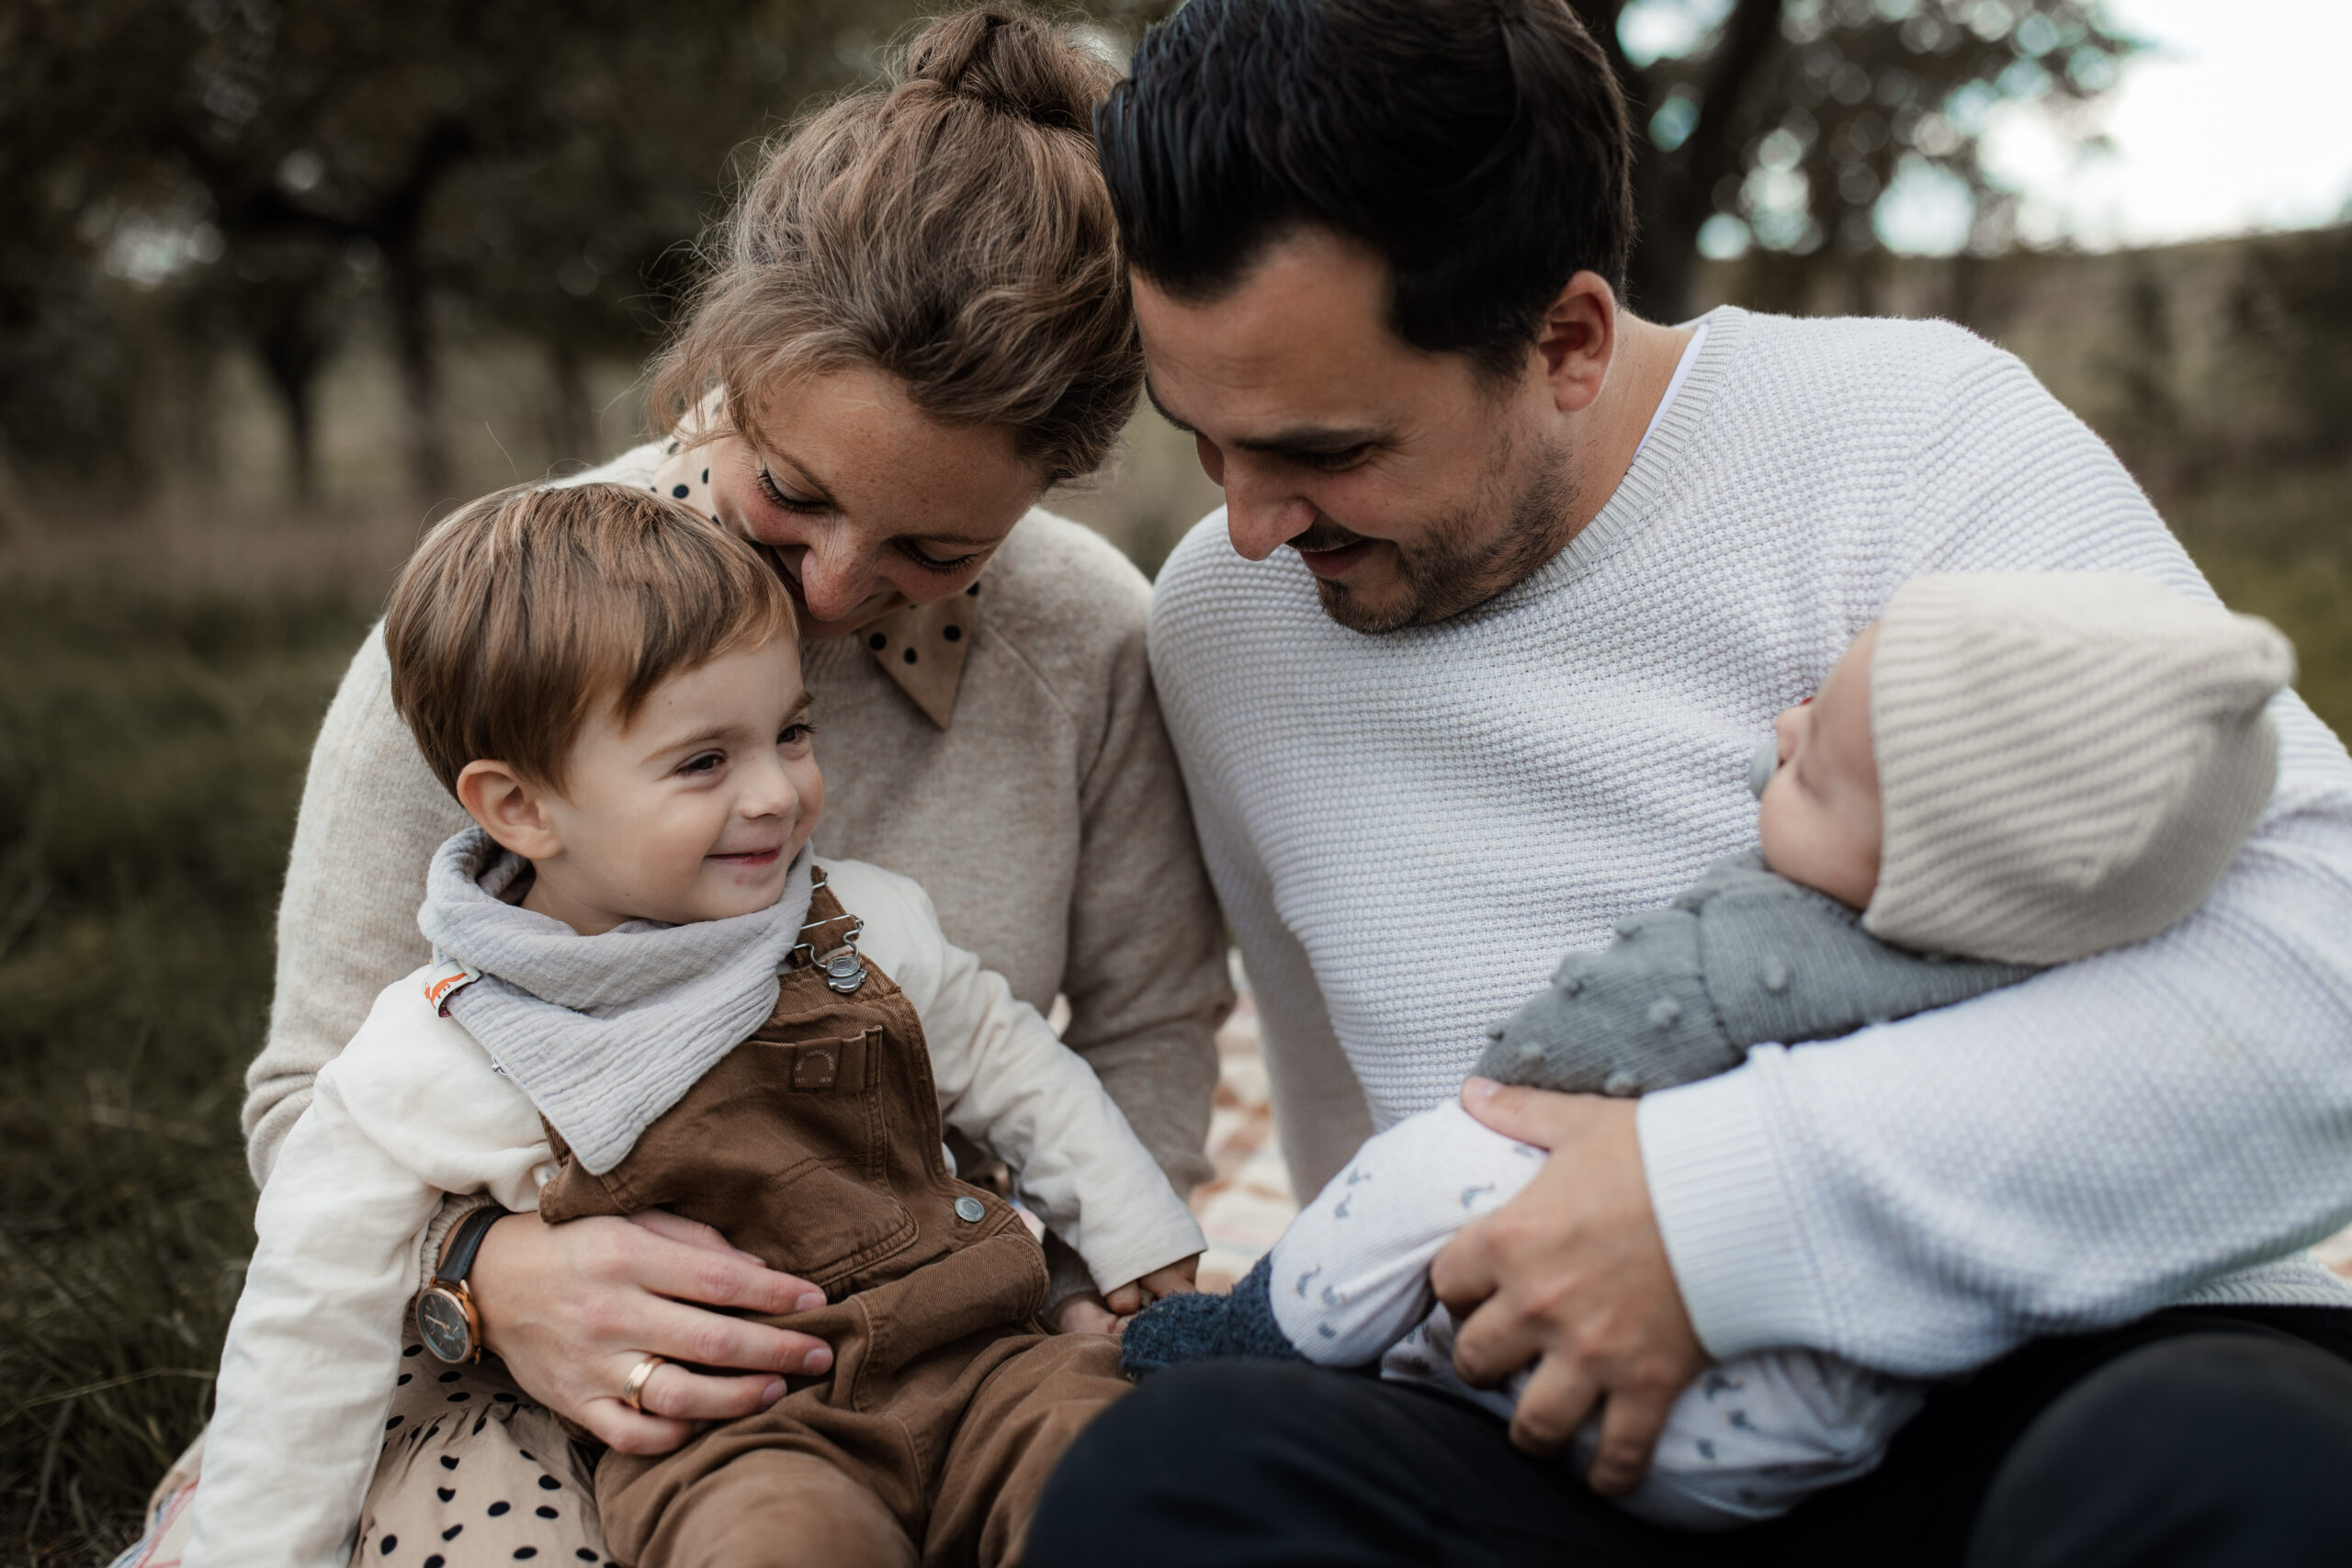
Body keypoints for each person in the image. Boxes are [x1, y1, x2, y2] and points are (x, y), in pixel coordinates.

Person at [1031, 0, 2352, 1562]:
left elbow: (2316, 965)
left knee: (2230, 1460)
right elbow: (1346, 1131)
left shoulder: (1909, 433)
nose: (1251, 523)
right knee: (1173, 1478)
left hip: (2054, 1369)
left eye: (1321, 447)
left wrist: (1722, 1207)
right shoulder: (1218, 621)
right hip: (1581, 1445)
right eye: (1205, 439)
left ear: (1570, 340)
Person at [125, 10, 1227, 1567]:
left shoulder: (1089, 637)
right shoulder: (496, 636)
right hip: (543, 1375)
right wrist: (486, 1277)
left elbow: (1150, 1026)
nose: (841, 590)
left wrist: (1088, 1290)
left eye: (935, 550)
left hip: (956, 1315)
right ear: (719, 366)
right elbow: (315, 1104)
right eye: (795, 493)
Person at [1120, 573, 2296, 1530]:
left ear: (1913, 882)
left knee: (1448, 1156)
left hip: (1652, 1408)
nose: (1779, 728)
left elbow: (1575, 1038)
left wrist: (1577, 1121)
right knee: (1172, 1480)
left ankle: (1262, 1333)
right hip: (1822, 1420)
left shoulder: (1768, 948)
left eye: (1814, 765)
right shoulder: (2066, 959)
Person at [184, 485, 1203, 1568]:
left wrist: (1132, 1234)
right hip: (735, 1434)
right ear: (522, 809)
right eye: (705, 761)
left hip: (988, 1358)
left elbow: (1012, 1063)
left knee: (1131, 1476)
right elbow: (310, 1319)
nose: (776, 794)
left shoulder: (859, 923)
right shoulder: (447, 1047)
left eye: (791, 732)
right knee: (779, 1548)